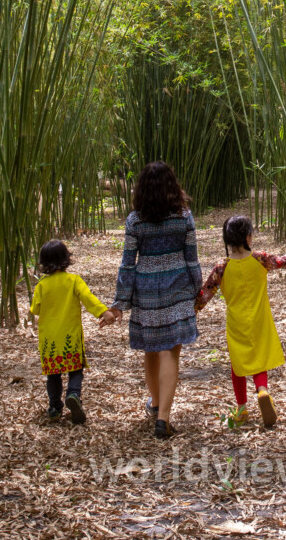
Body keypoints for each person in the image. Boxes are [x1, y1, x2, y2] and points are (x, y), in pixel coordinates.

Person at [106, 162, 203, 438]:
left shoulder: (135, 220)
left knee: (151, 348)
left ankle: (158, 403)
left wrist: (120, 303)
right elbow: (191, 258)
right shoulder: (183, 216)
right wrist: (198, 291)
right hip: (177, 287)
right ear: (172, 186)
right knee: (170, 350)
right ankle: (163, 417)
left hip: (146, 289)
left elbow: (127, 264)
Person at [194, 215, 286, 427]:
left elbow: (204, 295)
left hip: (236, 321)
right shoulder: (259, 258)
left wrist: (190, 311)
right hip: (260, 318)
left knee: (238, 364)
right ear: (247, 237)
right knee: (259, 358)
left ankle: (242, 410)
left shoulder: (221, 268)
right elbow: (281, 261)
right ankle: (262, 391)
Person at [30, 238, 117, 424]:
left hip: (49, 339)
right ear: (66, 259)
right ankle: (73, 395)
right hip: (70, 336)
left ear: (44, 262)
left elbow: (35, 309)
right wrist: (104, 312)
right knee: (75, 370)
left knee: (53, 374)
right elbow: (88, 298)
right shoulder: (74, 280)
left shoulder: (42, 286)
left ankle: (54, 408)